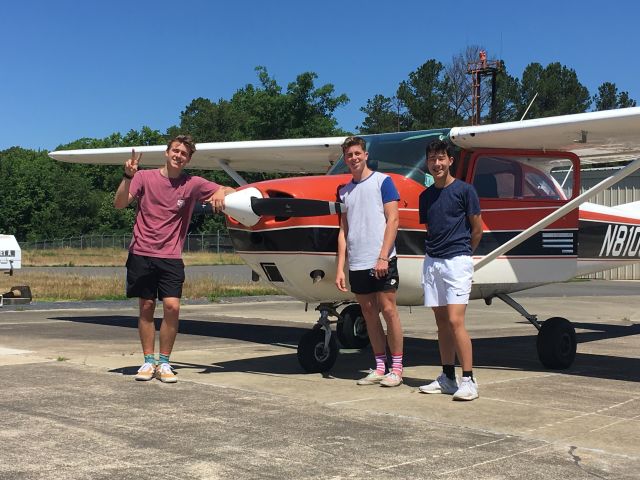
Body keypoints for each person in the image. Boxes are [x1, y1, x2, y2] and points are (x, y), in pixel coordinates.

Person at [114, 134, 235, 383]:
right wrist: (127, 175)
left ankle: (165, 362)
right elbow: (119, 203)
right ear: (167, 152)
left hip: (170, 256)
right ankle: (149, 362)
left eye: (184, 154)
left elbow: (231, 190)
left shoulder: (192, 184)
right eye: (175, 151)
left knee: (172, 307)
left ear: (188, 159)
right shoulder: (143, 177)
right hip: (141, 252)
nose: (178, 156)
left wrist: (222, 193)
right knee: (146, 306)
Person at [335, 136, 404, 387]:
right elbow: (343, 230)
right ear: (345, 159)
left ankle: (396, 368)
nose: (353, 158)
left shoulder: (383, 182)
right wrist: (340, 267)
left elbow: (393, 220)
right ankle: (379, 366)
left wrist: (383, 256)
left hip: (381, 259)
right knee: (368, 313)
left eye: (357, 153)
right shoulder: (343, 191)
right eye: (348, 155)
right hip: (358, 262)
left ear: (365, 155)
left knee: (388, 310)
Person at [418, 140, 483, 400]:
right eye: (432, 159)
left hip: (457, 261)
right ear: (428, 163)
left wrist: (464, 253)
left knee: (456, 321)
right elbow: (431, 228)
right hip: (432, 261)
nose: (437, 164)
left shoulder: (465, 191)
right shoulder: (426, 196)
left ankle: (468, 379)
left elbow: (476, 229)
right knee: (441, 323)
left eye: (441, 158)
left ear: (450, 161)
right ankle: (447, 376)